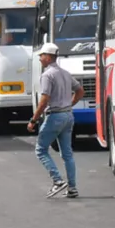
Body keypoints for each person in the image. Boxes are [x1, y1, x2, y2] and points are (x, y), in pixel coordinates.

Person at [28, 42, 84, 198]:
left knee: (40, 150)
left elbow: (44, 100)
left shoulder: (47, 75)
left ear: (48, 57)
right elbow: (80, 91)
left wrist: (33, 120)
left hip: (55, 116)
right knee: (67, 154)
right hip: (68, 115)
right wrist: (69, 104)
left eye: (41, 55)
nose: (39, 58)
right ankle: (72, 188)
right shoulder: (65, 73)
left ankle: (57, 181)